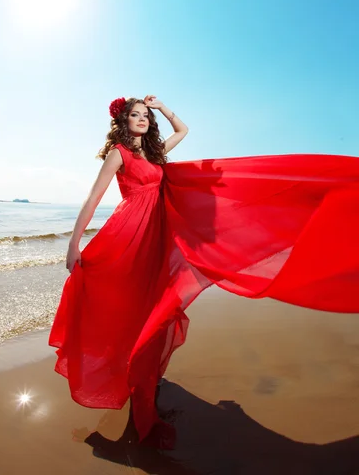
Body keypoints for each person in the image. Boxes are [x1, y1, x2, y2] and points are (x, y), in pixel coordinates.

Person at [49, 94, 359, 447]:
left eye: (145, 116)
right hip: (130, 234)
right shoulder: (118, 154)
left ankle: (143, 374)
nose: (142, 120)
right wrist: (74, 243)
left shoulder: (154, 153)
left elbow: (183, 129)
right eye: (135, 115)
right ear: (122, 120)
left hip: (157, 233)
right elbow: (93, 197)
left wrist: (163, 108)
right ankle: (129, 372)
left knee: (153, 304)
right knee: (129, 303)